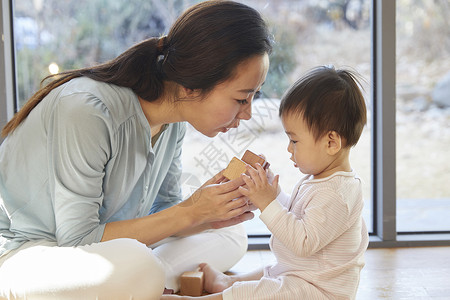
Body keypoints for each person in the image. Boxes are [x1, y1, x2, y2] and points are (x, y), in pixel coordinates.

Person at [0, 1, 272, 299]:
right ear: (190, 86)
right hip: (29, 254)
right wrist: (192, 210)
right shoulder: (86, 111)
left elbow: (162, 211)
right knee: (139, 265)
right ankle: (151, 282)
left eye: (253, 98)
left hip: (112, 252)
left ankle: (147, 285)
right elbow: (77, 241)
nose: (247, 114)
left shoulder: (175, 122)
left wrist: (208, 215)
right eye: (241, 99)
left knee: (231, 233)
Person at [161, 66, 369, 300]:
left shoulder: (338, 194)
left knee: (265, 290)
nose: (289, 149)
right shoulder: (321, 180)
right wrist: (273, 191)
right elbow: (297, 216)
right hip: (302, 276)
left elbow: (303, 242)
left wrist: (267, 202)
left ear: (331, 143)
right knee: (270, 273)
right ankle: (228, 282)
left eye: (294, 140)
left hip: (320, 291)